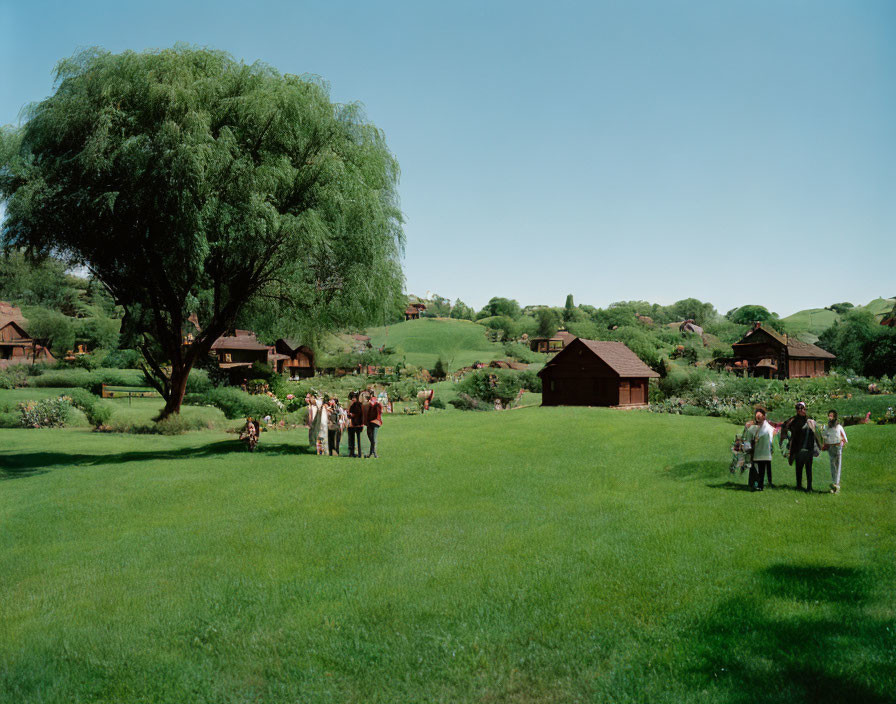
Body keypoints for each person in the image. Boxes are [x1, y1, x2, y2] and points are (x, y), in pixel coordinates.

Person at [780, 401, 823, 492]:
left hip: (808, 448)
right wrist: (787, 440)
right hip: (798, 448)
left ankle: (809, 487)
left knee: (808, 469)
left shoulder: (810, 421)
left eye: (802, 408)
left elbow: (817, 434)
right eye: (798, 409)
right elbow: (784, 426)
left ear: (805, 409)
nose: (800, 410)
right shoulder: (793, 421)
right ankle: (799, 486)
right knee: (798, 468)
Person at [744, 406, 774, 491]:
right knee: (755, 469)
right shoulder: (752, 429)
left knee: (762, 470)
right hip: (756, 453)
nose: (758, 418)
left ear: (764, 417)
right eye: (757, 416)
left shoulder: (768, 428)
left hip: (765, 453)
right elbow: (748, 440)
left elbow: (770, 440)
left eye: (760, 416)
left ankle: (761, 485)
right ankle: (754, 484)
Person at [821, 409, 848, 494]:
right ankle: (834, 483)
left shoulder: (839, 427)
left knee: (837, 465)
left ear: (835, 417)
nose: (830, 417)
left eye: (831, 416)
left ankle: (837, 484)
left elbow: (845, 438)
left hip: (837, 448)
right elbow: (823, 436)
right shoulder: (827, 427)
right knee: (832, 466)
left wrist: (841, 443)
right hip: (830, 448)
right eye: (829, 416)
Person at [347, 391, 365, 458]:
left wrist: (351, 414)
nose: (353, 399)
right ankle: (352, 453)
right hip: (353, 424)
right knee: (351, 439)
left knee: (358, 440)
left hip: (357, 424)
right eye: (352, 398)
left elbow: (360, 414)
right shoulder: (352, 405)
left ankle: (359, 453)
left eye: (354, 398)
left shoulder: (358, 405)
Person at [365, 392, 383, 458]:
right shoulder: (368, 403)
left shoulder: (374, 400)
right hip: (370, 422)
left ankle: (374, 453)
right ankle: (372, 453)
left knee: (373, 439)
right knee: (372, 439)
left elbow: (374, 404)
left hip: (375, 422)